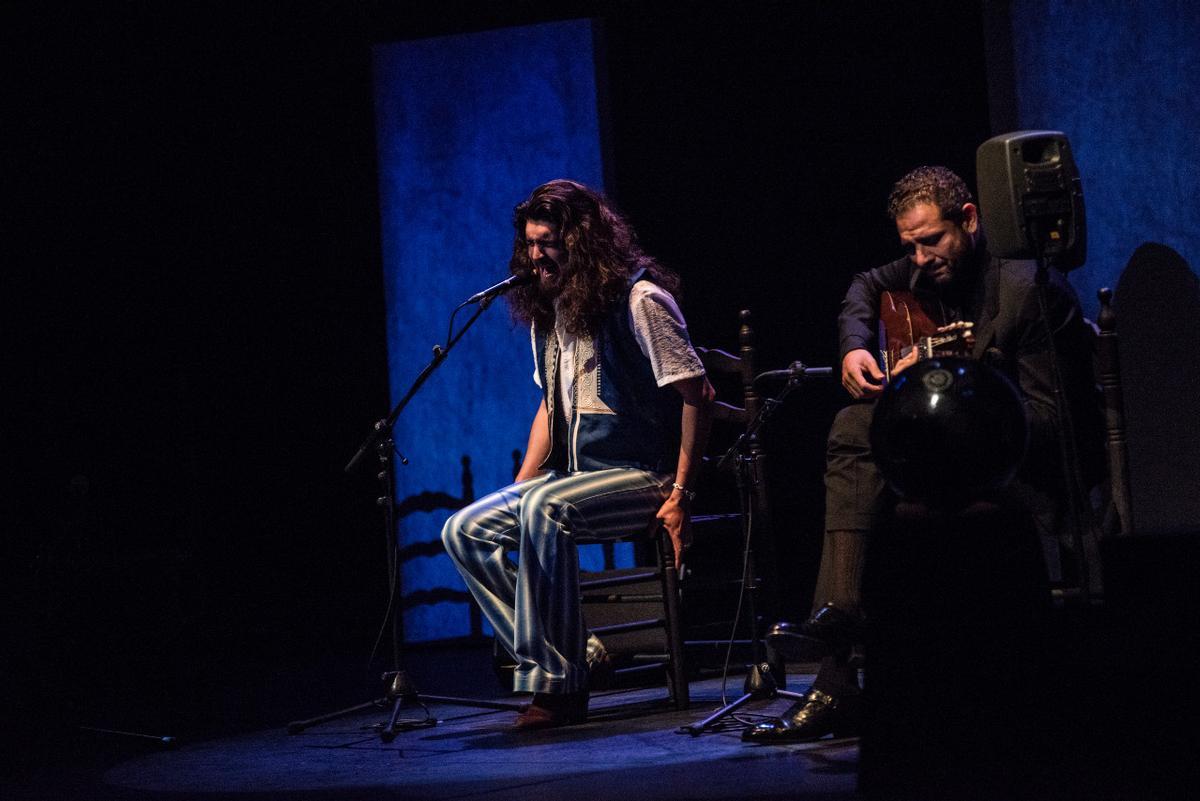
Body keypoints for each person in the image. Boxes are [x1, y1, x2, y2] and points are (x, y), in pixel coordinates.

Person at [743, 165, 1103, 743]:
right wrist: (856, 348)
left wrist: (955, 391)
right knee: (853, 425)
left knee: (873, 465)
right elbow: (864, 284)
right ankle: (838, 637)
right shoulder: (922, 266)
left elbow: (1051, 424)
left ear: (970, 220)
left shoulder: (1027, 292)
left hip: (1023, 474)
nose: (919, 258)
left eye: (931, 240)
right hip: (951, 464)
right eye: (908, 245)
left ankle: (837, 661)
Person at [441, 179, 714, 731]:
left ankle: (559, 688)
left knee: (544, 507)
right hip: (571, 481)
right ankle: (579, 652)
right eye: (530, 244)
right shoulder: (549, 312)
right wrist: (520, 483)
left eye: (548, 243)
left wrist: (681, 494)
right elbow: (550, 405)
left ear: (583, 240)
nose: (536, 256)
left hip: (643, 475)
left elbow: (699, 395)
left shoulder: (641, 300)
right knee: (464, 530)